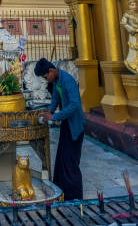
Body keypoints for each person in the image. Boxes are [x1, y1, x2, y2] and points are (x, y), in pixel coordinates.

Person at [35, 58, 85, 201]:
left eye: (46, 77)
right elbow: (56, 99)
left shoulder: (68, 80)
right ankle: (62, 192)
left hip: (74, 126)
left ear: (51, 70)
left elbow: (75, 105)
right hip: (66, 126)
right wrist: (49, 111)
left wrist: (55, 117)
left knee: (70, 163)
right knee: (62, 161)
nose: (46, 80)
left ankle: (75, 197)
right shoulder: (57, 80)